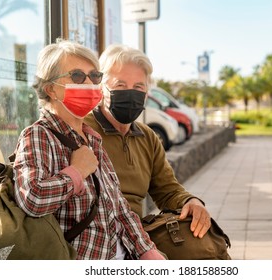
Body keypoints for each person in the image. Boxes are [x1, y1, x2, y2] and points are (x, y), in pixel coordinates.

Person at [12, 39, 165, 260]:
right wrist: (76, 172)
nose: (88, 83)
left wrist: (146, 250)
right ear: (50, 89)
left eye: (94, 76)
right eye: (76, 76)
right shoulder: (38, 135)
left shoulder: (92, 138)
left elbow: (118, 206)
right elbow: (32, 199)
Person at [84, 44, 211, 239]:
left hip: (136, 238)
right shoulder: (82, 130)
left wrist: (191, 201)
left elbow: (167, 190)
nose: (130, 93)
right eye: (120, 85)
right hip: (95, 240)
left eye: (138, 87)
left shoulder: (147, 137)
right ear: (101, 86)